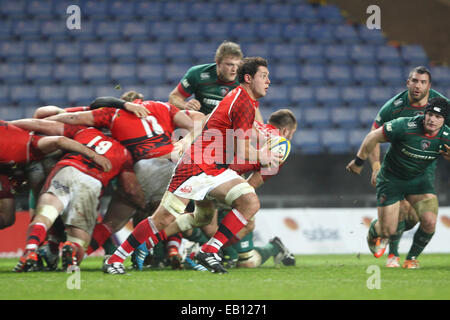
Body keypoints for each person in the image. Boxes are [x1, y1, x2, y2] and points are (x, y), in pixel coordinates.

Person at [103, 57, 282, 274]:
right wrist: (262, 156)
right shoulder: (241, 100)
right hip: (196, 166)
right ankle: (115, 259)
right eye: (264, 76)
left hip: (216, 168)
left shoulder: (244, 99)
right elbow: (243, 149)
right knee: (163, 218)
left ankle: (209, 251)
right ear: (248, 78)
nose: (268, 81)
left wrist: (262, 138)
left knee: (248, 202)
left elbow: (227, 130)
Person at [135, 109, 299, 271]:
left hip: (198, 162)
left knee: (202, 218)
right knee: (244, 226)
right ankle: (206, 252)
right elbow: (252, 185)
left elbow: (210, 120)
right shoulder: (280, 146)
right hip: (215, 173)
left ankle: (151, 243)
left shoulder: (253, 125)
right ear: (286, 131)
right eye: (292, 133)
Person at [45, 95, 200, 256]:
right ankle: (173, 250)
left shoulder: (113, 113)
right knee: (171, 217)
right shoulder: (163, 106)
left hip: (142, 166)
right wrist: (184, 143)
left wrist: (48, 119)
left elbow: (73, 117)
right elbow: (194, 126)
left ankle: (77, 254)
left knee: (113, 222)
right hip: (171, 165)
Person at [11, 119, 145, 272]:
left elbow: (40, 124)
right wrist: (144, 205)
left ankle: (30, 251)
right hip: (91, 182)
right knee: (80, 240)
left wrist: (9, 125)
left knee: (45, 215)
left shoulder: (85, 131)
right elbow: (130, 188)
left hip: (68, 169)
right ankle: (72, 248)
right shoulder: (125, 153)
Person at [347, 97, 450, 269]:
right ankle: (375, 229)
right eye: (430, 114)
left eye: (438, 117)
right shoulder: (403, 125)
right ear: (424, 114)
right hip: (391, 179)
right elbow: (372, 136)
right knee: (387, 231)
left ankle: (411, 259)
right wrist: (359, 161)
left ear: (444, 120)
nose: (432, 119)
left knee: (430, 221)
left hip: (418, 182)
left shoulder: (447, 136)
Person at [368, 66, 449, 267]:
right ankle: (392, 255)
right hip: (397, 166)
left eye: (423, 82)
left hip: (424, 171)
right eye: (415, 81)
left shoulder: (441, 105)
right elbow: (373, 135)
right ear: (408, 83)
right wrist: (375, 165)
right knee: (401, 211)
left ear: (429, 86)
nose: (418, 86)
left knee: (417, 220)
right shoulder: (394, 106)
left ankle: (410, 258)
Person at [0, 119, 111, 230]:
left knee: (8, 218)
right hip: (17, 163)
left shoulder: (27, 143)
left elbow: (59, 139)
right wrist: (95, 156)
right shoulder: (33, 144)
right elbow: (60, 140)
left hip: (16, 164)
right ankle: (47, 234)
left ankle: (45, 234)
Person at [168, 40, 263, 122]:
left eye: (237, 65)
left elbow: (254, 112)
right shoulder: (197, 74)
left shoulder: (244, 81)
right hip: (200, 126)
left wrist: (265, 137)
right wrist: (186, 105)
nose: (234, 69)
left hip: (228, 129)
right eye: (229, 65)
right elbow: (173, 98)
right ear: (218, 62)